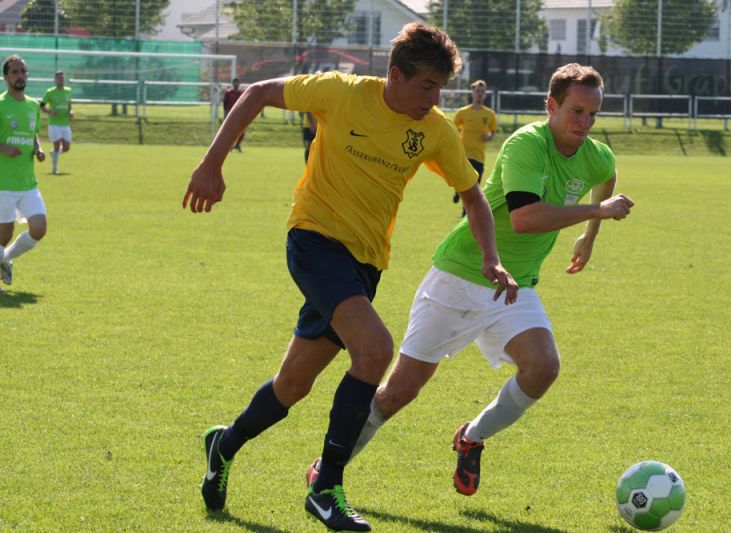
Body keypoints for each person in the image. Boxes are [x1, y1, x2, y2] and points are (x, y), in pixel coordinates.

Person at [183, 22, 517, 532]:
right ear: (395, 75)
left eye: (441, 88)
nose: (434, 99)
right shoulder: (340, 92)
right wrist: (212, 164)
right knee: (375, 349)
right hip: (314, 241)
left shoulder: (433, 130)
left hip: (365, 263)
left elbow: (472, 196)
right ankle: (326, 489)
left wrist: (491, 257)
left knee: (293, 384)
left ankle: (224, 445)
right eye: (427, 86)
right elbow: (257, 92)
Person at [305, 63, 635, 498]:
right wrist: (597, 212)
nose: (585, 122)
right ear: (551, 106)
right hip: (461, 273)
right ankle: (328, 469)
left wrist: (588, 236)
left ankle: (471, 437)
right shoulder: (526, 144)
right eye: (576, 111)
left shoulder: (596, 155)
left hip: (514, 285)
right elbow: (524, 218)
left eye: (593, 114)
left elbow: (606, 177)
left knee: (543, 368)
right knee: (398, 392)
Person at [0, 55, 48, 288]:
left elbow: (33, 132)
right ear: (6, 77)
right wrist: (4, 148)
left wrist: (38, 149)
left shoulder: (32, 105)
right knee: (4, 234)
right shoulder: (1, 104)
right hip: (3, 183)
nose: (20, 76)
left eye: (23, 71)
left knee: (39, 229)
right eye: (15, 72)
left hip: (28, 183)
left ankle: (5, 259)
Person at [452, 79, 497, 213]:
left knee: (474, 186)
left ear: (485, 95)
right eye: (477, 91)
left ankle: (463, 209)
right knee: (466, 183)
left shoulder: (489, 114)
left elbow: (493, 131)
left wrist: (489, 136)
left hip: (479, 156)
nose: (479, 94)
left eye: (482, 92)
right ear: (472, 93)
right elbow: (453, 128)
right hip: (464, 155)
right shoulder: (463, 112)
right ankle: (461, 204)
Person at [39, 70, 72, 175]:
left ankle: (54, 154)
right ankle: (54, 168)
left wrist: (70, 112)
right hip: (54, 124)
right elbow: (41, 106)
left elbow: (69, 104)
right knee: (57, 145)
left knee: (66, 147)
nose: (60, 80)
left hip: (65, 123)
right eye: (58, 78)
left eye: (62, 78)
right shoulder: (50, 92)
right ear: (55, 80)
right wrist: (50, 112)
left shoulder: (68, 91)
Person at [222, 78, 245, 151]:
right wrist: (225, 114)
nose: (236, 84)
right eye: (235, 83)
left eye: (237, 83)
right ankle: (229, 146)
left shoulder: (241, 93)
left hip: (239, 114)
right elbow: (225, 104)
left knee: (242, 130)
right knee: (230, 131)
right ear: (233, 84)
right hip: (230, 114)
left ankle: (237, 145)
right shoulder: (228, 93)